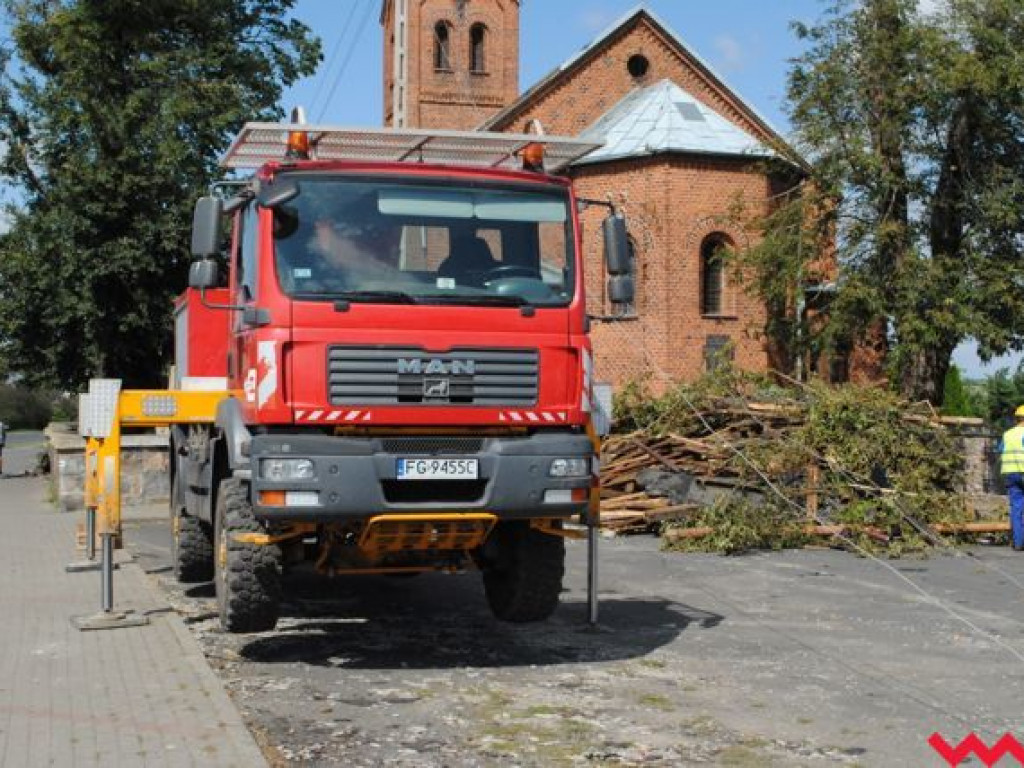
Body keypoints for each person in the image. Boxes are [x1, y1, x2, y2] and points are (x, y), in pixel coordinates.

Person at [1000, 406, 1024, 551]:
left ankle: (1018, 543)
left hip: (1011, 474)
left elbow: (1000, 449)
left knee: (1016, 509)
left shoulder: (1007, 434)